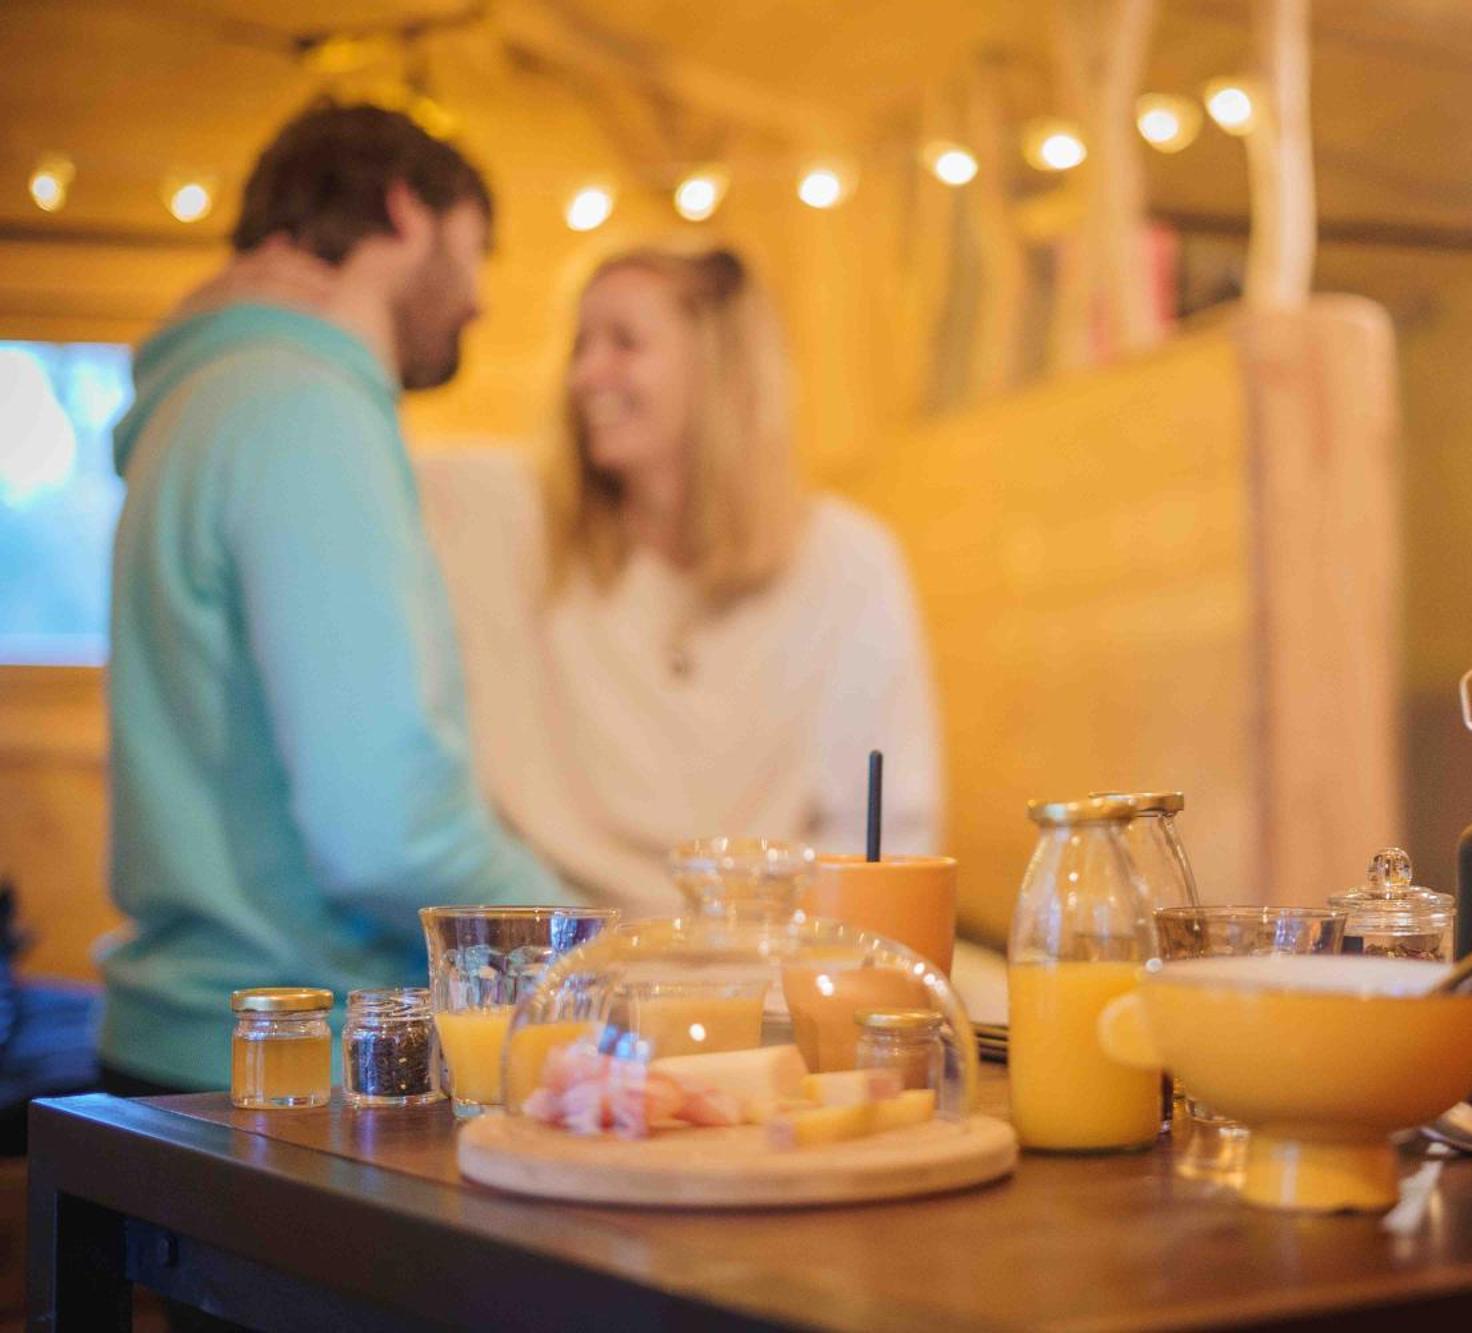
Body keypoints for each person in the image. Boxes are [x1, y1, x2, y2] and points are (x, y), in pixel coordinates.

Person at [99, 103, 567, 1095]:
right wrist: (591, 944)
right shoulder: (305, 407)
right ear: (406, 211)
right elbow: (389, 830)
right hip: (291, 1069)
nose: (478, 299)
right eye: (475, 251)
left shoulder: (209, 394)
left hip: (186, 1045)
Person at [418, 247, 940, 912]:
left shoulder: (848, 562)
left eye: (624, 342)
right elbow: (360, 457)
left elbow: (889, 832)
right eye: (582, 345)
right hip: (577, 968)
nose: (585, 374)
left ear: (717, 368)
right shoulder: (511, 520)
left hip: (773, 972)